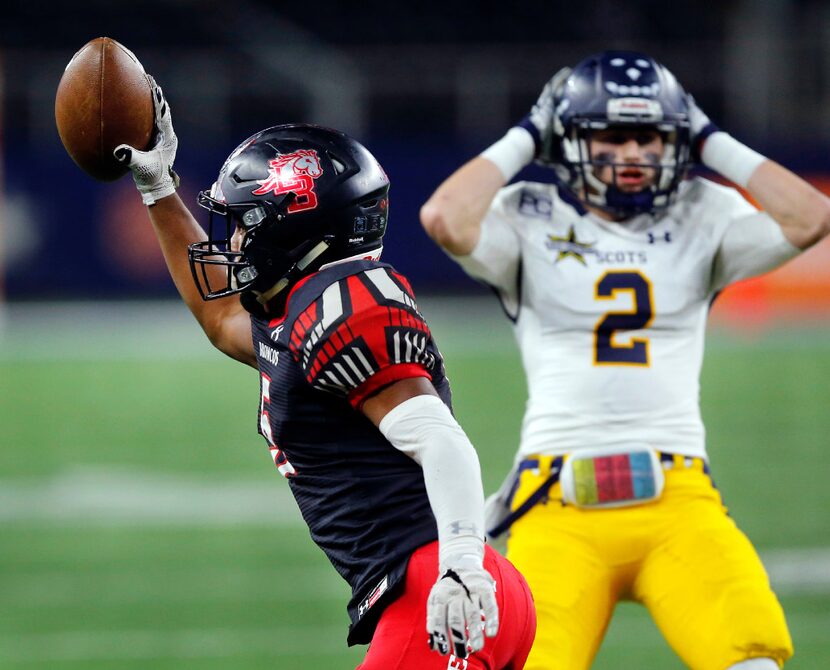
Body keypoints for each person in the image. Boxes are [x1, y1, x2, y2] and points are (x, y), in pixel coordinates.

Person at [420, 50, 830, 670]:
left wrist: (710, 137)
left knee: (754, 661)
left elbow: (811, 218)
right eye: (612, 136)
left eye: (650, 137)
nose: (633, 154)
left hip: (679, 501)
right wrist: (528, 133)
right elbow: (444, 218)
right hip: (557, 504)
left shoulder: (704, 211)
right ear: (571, 140)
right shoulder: (530, 213)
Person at [112, 81, 536, 669]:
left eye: (243, 222)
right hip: (454, 589)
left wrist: (462, 564)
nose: (230, 240)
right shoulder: (305, 304)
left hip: (441, 591)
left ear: (289, 228)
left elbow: (440, 438)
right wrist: (158, 187)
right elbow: (223, 319)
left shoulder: (344, 303)